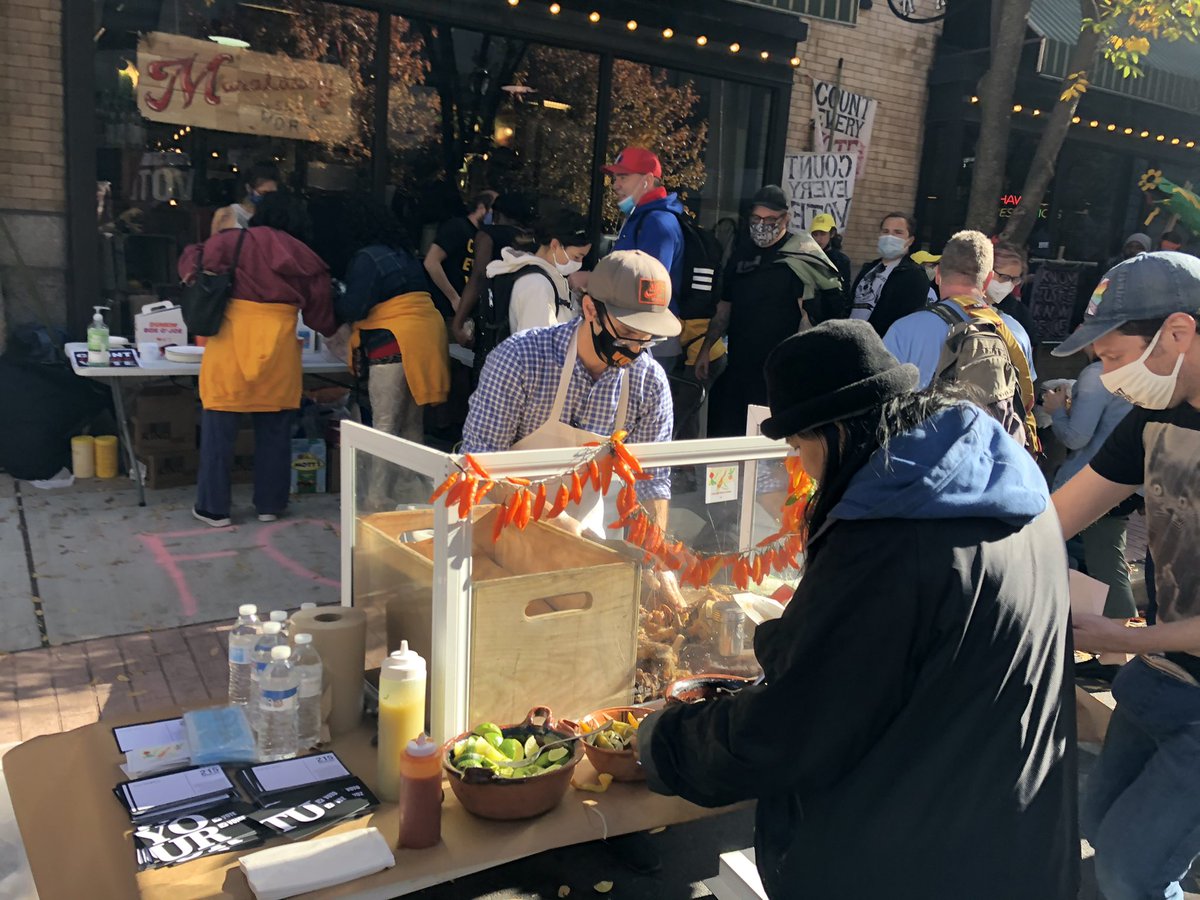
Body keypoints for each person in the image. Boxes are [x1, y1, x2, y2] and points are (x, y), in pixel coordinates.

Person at [637, 319, 1077, 900]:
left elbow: (794, 725)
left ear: (834, 433)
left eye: (799, 447)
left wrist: (665, 742)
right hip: (1016, 840)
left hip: (913, 862)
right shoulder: (1013, 488)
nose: (802, 467)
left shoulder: (890, 540)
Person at [1051, 251, 1200, 900]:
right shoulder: (1156, 415)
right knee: (1095, 827)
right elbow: (1058, 515)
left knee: (1129, 869)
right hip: (1160, 680)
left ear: (1177, 332)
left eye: (1113, 358)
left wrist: (1122, 636)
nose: (1109, 380)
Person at [461, 250, 678, 526]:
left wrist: (655, 555)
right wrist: (557, 524)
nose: (635, 348)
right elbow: (480, 460)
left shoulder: (649, 383)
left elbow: (652, 481)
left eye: (647, 338)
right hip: (499, 525)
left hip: (584, 536)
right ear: (590, 309)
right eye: (628, 332)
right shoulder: (520, 358)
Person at [180, 192, 336, 527]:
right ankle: (270, 504)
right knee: (275, 433)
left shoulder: (232, 243)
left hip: (230, 350)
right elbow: (322, 319)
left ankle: (213, 509)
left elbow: (192, 263)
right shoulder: (307, 258)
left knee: (219, 432)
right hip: (279, 355)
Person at [699, 186, 841, 438]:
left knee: (767, 451)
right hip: (739, 366)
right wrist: (706, 347)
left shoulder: (802, 255)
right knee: (724, 439)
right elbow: (724, 306)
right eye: (756, 218)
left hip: (779, 374)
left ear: (786, 218)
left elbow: (820, 314)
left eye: (770, 219)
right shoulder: (741, 253)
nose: (762, 225)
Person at [883, 230, 1039, 451]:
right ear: (986, 281)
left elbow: (880, 405)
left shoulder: (904, 329)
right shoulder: (1015, 333)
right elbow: (1024, 401)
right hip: (983, 463)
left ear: (937, 275)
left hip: (913, 458)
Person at [333, 196, 450, 446]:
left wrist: (334, 296)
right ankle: (409, 485)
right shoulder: (404, 254)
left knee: (384, 426)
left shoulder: (368, 258)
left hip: (393, 341)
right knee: (411, 425)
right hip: (426, 339)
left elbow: (353, 308)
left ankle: (377, 487)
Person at [1043, 337, 1136, 617]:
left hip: (1089, 482)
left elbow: (1076, 437)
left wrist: (1057, 409)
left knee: (1102, 560)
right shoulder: (1137, 371)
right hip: (1123, 480)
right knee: (1098, 557)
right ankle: (1103, 646)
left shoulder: (1097, 375)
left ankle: (1112, 650)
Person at [604, 146, 686, 370]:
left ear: (647, 180)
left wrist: (594, 281)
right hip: (635, 335)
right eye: (614, 177)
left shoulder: (657, 223)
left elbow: (649, 290)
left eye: (623, 177)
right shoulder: (643, 218)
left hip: (648, 339)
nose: (615, 185)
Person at [484, 207, 591, 336]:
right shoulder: (537, 285)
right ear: (555, 245)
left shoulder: (538, 276)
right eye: (576, 257)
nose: (579, 264)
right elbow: (538, 348)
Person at [449, 192, 536, 346]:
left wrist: (458, 322)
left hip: (493, 319)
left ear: (497, 214)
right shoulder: (532, 241)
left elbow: (479, 277)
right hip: (521, 316)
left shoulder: (488, 235)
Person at [847, 212, 930, 336]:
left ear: (910, 240)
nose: (889, 237)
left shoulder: (915, 276)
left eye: (898, 232)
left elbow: (908, 321)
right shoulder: (868, 269)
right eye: (885, 231)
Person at [423, 190, 496, 318]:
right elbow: (431, 262)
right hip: (446, 308)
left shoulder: (486, 236)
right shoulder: (457, 227)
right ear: (481, 208)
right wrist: (454, 298)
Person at [209, 163, 280, 235]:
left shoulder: (278, 218)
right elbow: (213, 244)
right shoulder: (225, 214)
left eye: (272, 194)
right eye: (263, 193)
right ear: (249, 188)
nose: (268, 197)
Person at [990, 241, 1038, 344]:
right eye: (1004, 277)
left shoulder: (1021, 314)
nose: (1008, 284)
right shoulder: (962, 304)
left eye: (1014, 279)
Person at [809, 212, 853, 302]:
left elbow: (845, 292)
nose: (818, 239)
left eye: (823, 233)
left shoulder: (841, 261)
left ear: (832, 234)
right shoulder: (806, 256)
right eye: (815, 234)